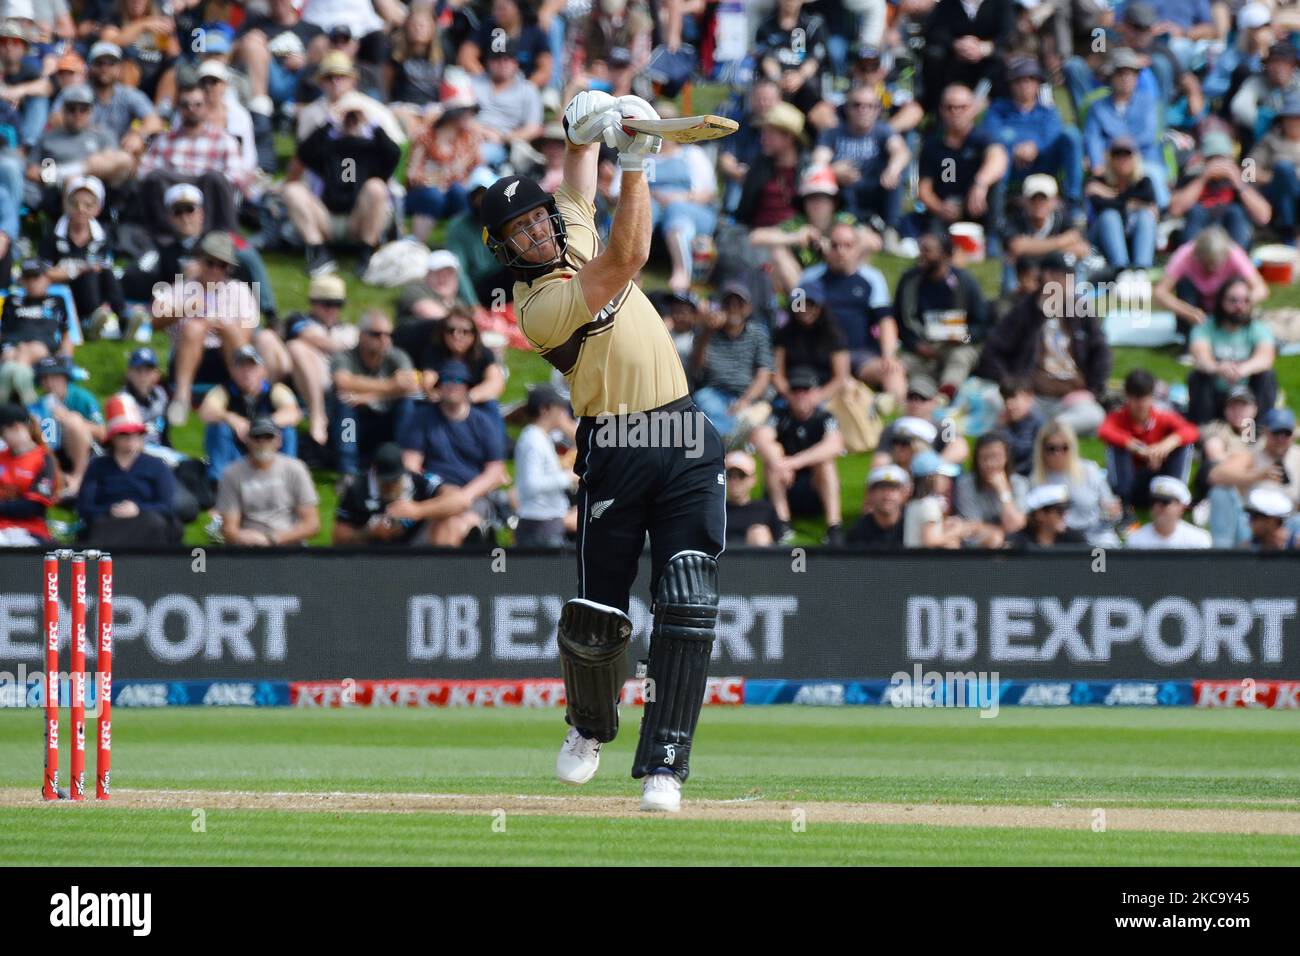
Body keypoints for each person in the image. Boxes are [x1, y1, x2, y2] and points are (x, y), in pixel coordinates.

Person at [478, 90, 726, 811]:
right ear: (504, 252)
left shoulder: (569, 224)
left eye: (537, 220)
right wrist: (639, 158)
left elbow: (575, 173)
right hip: (615, 440)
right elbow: (632, 253)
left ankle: (665, 767)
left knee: (688, 594)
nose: (535, 235)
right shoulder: (540, 308)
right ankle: (589, 725)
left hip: (681, 430)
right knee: (597, 617)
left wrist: (581, 129)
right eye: (517, 234)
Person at [976, 252, 1110, 436]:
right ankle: (1048, 428)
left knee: (1095, 416)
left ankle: (1042, 429)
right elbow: (992, 351)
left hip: (1070, 399)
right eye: (1065, 277)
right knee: (991, 398)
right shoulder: (1025, 310)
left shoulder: (1080, 309)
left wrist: (1093, 392)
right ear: (1048, 277)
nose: (1070, 283)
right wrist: (1013, 386)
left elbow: (1101, 351)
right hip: (1032, 397)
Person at [288, 89, 401, 277]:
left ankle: (366, 255)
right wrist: (330, 121)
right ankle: (319, 253)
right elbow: (304, 153)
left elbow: (394, 154)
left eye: (353, 117)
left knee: (376, 187)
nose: (350, 120)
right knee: (292, 190)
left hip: (359, 220)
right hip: (328, 219)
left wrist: (371, 122)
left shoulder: (372, 148)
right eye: (348, 117)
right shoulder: (328, 146)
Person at [398, 358, 508, 546]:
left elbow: (495, 471)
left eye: (458, 381)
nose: (452, 385)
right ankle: (472, 540)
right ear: (439, 387)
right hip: (435, 493)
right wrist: (437, 489)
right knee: (450, 522)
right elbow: (410, 464)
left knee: (458, 521)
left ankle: (469, 537)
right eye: (447, 380)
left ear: (467, 387)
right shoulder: (422, 418)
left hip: (474, 494)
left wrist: (465, 496)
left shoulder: (483, 422)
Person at [798, 222, 902, 403]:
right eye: (835, 245)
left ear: (856, 248)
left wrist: (889, 355)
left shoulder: (872, 278)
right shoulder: (808, 278)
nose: (841, 251)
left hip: (860, 354)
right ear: (826, 247)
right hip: (821, 356)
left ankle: (897, 415)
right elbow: (796, 317)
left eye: (847, 245)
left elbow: (885, 320)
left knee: (893, 373)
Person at [136, 81, 250, 232]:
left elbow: (237, 176)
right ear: (179, 109)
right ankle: (161, 235)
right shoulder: (164, 140)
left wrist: (197, 182)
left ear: (207, 107)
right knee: (156, 176)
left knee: (214, 178)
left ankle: (222, 237)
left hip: (207, 197)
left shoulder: (224, 140)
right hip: (173, 196)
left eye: (198, 105)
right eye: (185, 105)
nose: (192, 109)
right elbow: (144, 173)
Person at [750, 366, 845, 545]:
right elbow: (761, 438)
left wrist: (791, 464)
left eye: (805, 390)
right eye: (795, 390)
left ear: (815, 392)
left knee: (825, 463)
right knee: (773, 455)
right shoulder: (779, 416)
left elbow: (834, 445)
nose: (800, 395)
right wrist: (779, 462)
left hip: (815, 488)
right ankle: (782, 523)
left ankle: (834, 527)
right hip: (784, 486)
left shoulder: (825, 418)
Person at [894, 231, 989, 399]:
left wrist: (963, 337)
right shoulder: (909, 281)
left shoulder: (965, 283)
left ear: (945, 255)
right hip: (922, 346)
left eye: (928, 250)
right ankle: (917, 396)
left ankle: (945, 395)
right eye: (921, 249)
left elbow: (982, 324)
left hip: (955, 346)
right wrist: (916, 345)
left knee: (960, 358)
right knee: (903, 364)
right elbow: (900, 322)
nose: (921, 255)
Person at [76, 393, 180, 546]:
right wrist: (111, 509)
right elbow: (84, 507)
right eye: (124, 434)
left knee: (154, 522)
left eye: (137, 433)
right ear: (113, 438)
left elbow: (167, 506)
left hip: (148, 526)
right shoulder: (97, 466)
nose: (131, 439)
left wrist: (138, 509)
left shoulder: (157, 466)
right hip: (107, 524)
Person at [983, 56, 1084, 211]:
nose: (1025, 85)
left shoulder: (1048, 111)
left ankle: (1073, 202)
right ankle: (998, 207)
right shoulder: (998, 109)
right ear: (1011, 85)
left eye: (1030, 79)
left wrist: (1035, 147)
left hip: (1043, 164)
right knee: (1003, 140)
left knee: (1072, 134)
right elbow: (990, 133)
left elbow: (1053, 134)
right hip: (1010, 165)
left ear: (1038, 84)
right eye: (1019, 80)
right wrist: (1015, 147)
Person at [811, 84, 910, 239]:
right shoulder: (833, 133)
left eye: (870, 106)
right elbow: (817, 162)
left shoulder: (883, 131)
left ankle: (890, 230)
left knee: (895, 177)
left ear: (878, 110)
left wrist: (893, 169)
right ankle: (839, 228)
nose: (863, 110)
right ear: (847, 108)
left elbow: (901, 151)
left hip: (877, 187)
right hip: (845, 192)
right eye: (857, 105)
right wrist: (833, 171)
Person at [916, 84, 1009, 248]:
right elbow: (924, 189)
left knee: (996, 183)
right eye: (950, 107)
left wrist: (980, 183)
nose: (956, 112)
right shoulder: (932, 145)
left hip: (978, 205)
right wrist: (940, 208)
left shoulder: (982, 138)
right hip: (946, 208)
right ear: (941, 110)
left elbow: (999, 158)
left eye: (962, 107)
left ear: (973, 109)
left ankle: (993, 238)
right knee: (933, 238)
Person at [330, 310, 417, 479]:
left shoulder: (397, 356)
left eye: (388, 334)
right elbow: (343, 383)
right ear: (361, 335)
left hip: (387, 422)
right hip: (356, 425)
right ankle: (348, 471)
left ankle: (402, 463)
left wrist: (368, 396)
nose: (384, 340)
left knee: (408, 401)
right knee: (345, 401)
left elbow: (410, 385)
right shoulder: (345, 357)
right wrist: (391, 385)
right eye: (376, 334)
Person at [332, 441, 473, 546]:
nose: (391, 486)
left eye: (395, 480)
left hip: (418, 546)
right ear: (374, 473)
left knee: (448, 519)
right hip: (375, 555)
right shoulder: (357, 489)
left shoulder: (418, 480)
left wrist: (418, 510)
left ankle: (443, 576)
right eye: (386, 482)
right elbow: (338, 537)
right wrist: (369, 533)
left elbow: (461, 501)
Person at [198, 345, 302, 485]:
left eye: (252, 367)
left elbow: (293, 413)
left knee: (287, 431)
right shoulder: (223, 391)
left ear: (262, 371)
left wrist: (259, 426)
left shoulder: (275, 390)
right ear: (232, 371)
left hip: (266, 446)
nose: (246, 372)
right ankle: (219, 483)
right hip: (237, 450)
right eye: (241, 367)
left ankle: (286, 479)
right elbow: (206, 412)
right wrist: (231, 418)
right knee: (219, 428)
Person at [38, 175, 128, 336]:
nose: (81, 209)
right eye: (75, 204)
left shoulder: (102, 237)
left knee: (105, 272)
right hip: (64, 291)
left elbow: (103, 266)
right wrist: (77, 269)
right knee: (89, 271)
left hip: (93, 289)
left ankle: (124, 318)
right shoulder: (52, 235)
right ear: (66, 205)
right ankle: (88, 321)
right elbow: (44, 272)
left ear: (98, 208)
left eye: (88, 205)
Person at [1098, 368, 1199, 509]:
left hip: (1159, 477)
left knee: (1183, 445)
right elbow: (1104, 431)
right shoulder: (1118, 418)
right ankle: (1123, 503)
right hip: (1130, 482)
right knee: (1116, 447)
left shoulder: (1162, 417)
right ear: (1127, 397)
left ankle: (1176, 497)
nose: (1140, 404)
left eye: (1144, 398)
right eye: (1136, 398)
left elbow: (1192, 431)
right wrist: (1134, 446)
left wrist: (1166, 444)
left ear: (1151, 397)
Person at [1153, 226, 1269, 346]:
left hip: (1224, 305)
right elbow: (1160, 292)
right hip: (1194, 304)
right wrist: (1186, 311)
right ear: (1197, 255)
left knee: (1237, 287)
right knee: (1185, 285)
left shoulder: (1235, 255)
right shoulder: (1185, 254)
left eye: (1215, 263)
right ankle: (1189, 339)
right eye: (1207, 264)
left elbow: (1261, 289)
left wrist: (1240, 302)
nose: (1212, 269)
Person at [1186, 277, 1279, 425]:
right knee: (1198, 377)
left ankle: (1259, 430)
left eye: (1245, 301)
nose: (1240, 306)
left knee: (1267, 376)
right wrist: (1218, 368)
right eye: (1233, 301)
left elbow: (1266, 357)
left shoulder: (1258, 329)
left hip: (1247, 396)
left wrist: (1243, 369)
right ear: (1221, 301)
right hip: (1216, 394)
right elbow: (1200, 357)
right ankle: (1205, 431)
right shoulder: (1205, 328)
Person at [689, 282, 773, 444]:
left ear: (748, 308)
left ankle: (719, 438)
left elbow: (764, 375)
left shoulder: (757, 334)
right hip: (714, 392)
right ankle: (729, 437)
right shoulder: (707, 332)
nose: (733, 307)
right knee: (704, 400)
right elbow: (696, 368)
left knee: (753, 413)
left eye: (739, 303)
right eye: (728, 303)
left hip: (746, 395)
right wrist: (706, 332)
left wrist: (745, 400)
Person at [216, 417, 320, 547]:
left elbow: (312, 524)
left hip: (289, 545)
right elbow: (229, 527)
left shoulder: (296, 469)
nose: (262, 442)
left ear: (279, 441)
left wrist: (272, 539)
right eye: (256, 437)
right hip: (249, 547)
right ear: (247, 440)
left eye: (268, 437)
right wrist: (242, 537)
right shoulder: (231, 474)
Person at [285, 274, 357, 447]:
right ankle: (317, 416)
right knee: (297, 346)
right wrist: (345, 348)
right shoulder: (298, 320)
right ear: (313, 302)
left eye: (338, 305)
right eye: (327, 304)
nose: (333, 310)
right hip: (309, 380)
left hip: (344, 385)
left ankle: (348, 464)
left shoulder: (350, 330)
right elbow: (311, 338)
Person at [1168, 129, 1271, 250]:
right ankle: (1192, 258)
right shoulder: (1192, 176)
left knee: (1235, 212)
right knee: (1196, 211)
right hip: (1202, 231)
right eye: (1212, 158)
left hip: (1230, 233)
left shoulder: (1240, 179)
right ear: (1204, 160)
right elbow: (1175, 209)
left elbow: (1264, 216)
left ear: (1231, 158)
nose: (1218, 163)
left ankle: (1236, 258)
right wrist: (1203, 179)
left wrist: (1238, 183)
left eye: (1222, 158)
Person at [1029, 418, 1121, 544]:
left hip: (1095, 537)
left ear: (1072, 447)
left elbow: (1111, 510)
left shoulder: (1090, 470)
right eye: (1052, 448)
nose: (1058, 453)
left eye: (1064, 447)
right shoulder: (1036, 480)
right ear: (1042, 450)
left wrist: (1111, 512)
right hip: (1059, 541)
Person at [0, 259, 79, 405]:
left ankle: (11, 398)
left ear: (46, 279)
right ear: (22, 281)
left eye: (36, 277)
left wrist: (67, 359)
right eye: (27, 278)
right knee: (10, 354)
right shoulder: (12, 300)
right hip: (12, 344)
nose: (32, 282)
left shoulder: (57, 301)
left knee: (27, 351)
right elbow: (3, 330)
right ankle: (25, 397)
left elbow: (66, 334)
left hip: (42, 344)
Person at [513, 384, 577, 548]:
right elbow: (531, 484)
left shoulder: (540, 437)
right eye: (560, 407)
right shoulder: (533, 440)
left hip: (547, 524)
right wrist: (569, 476)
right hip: (538, 527)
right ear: (545, 409)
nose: (564, 413)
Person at [29, 354, 101, 497]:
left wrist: (68, 418)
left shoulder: (81, 397)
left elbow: (103, 432)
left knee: (73, 421)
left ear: (65, 378)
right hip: (54, 456)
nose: (50, 383)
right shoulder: (39, 404)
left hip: (85, 453)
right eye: (45, 379)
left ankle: (78, 478)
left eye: (55, 377)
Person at [1085, 138, 1158, 273]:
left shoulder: (1144, 182)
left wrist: (1110, 195)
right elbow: (1101, 206)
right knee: (1110, 216)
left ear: (1135, 158)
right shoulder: (1098, 181)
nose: (1122, 160)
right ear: (1109, 158)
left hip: (1132, 238)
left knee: (1145, 216)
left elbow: (1148, 201)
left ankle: (1141, 269)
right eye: (1117, 155)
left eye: (1127, 155)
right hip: (1100, 241)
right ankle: (1120, 269)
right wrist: (1129, 203)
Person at [953, 430, 1028, 546]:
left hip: (1014, 544)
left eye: (995, 457)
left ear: (1006, 457)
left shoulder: (1019, 483)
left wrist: (1003, 491)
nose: (990, 464)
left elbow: (1015, 525)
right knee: (995, 539)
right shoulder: (965, 484)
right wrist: (996, 532)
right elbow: (973, 526)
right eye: (984, 458)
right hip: (977, 546)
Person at [0, 402, 56, 545]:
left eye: (2, 432)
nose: (2, 438)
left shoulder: (43, 460)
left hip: (30, 530)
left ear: (17, 427)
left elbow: (34, 507)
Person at [903, 449, 967, 548]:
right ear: (930, 478)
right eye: (943, 476)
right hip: (924, 562)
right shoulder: (930, 505)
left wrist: (944, 525)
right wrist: (958, 531)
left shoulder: (913, 503)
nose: (948, 481)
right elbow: (931, 541)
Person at [1126, 476, 1211, 549]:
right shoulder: (1135, 540)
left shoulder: (1199, 540)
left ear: (1181, 508)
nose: (1157, 507)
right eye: (1154, 501)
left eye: (1165, 502)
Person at [723, 450, 780, 547]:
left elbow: (780, 544)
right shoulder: (715, 510)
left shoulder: (765, 509)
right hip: (722, 559)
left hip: (755, 560)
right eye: (729, 475)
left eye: (741, 475)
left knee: (759, 533)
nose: (734, 480)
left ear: (753, 480)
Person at [1006, 483, 1088, 549]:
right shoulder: (1018, 544)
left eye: (1066, 510)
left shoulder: (1075, 541)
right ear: (1040, 514)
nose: (1064, 515)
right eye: (1060, 511)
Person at [845, 463, 907, 548]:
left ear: (904, 494)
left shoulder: (912, 527)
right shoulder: (858, 532)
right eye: (881, 488)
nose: (887, 495)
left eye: (893, 489)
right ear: (870, 494)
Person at [997, 377, 1043, 476]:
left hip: (1029, 474)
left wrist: (1002, 428)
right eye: (1005, 398)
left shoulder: (1035, 421)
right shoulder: (1008, 420)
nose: (1009, 404)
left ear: (1029, 397)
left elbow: (1020, 451)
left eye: (1013, 397)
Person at [1244, 485, 1299, 550]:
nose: (1250, 522)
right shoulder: (1248, 545)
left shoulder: (1296, 544)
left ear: (1271, 521)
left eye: (1254, 517)